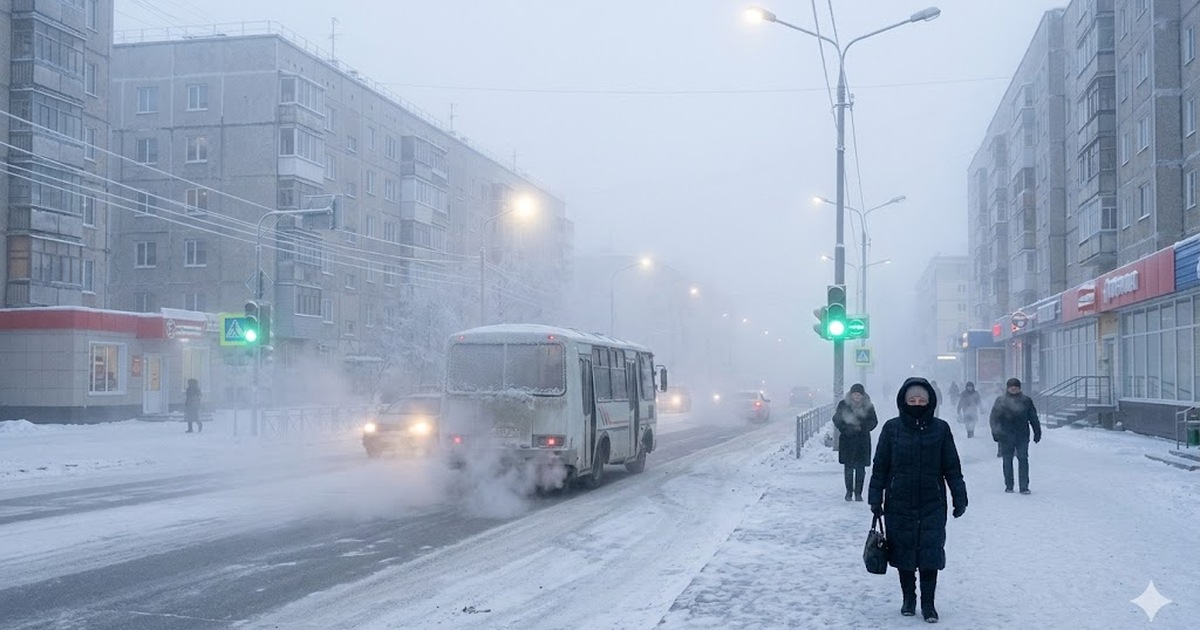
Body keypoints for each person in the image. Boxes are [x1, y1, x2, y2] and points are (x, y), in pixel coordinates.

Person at [869, 377, 968, 623]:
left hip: (932, 501)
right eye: (912, 400)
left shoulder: (941, 429)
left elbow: (952, 467)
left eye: (921, 400)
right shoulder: (891, 429)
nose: (917, 404)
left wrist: (960, 496)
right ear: (903, 401)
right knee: (903, 553)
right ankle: (908, 599)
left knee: (930, 553)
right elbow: (880, 466)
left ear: (930, 401)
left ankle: (928, 604)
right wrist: (875, 497)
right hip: (898, 501)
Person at [989, 377, 1041, 494]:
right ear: (1007, 388)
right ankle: (1009, 485)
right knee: (1007, 460)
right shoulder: (1000, 401)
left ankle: (1024, 487)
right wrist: (995, 432)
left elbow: (1033, 417)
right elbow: (994, 418)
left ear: (1019, 388)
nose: (1013, 389)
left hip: (1022, 435)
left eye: (1016, 387)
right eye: (1011, 387)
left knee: (1023, 459)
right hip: (1005, 435)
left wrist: (1037, 431)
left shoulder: (1026, 401)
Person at [832, 383, 878, 502]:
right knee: (848, 468)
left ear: (862, 396)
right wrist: (845, 428)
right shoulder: (843, 404)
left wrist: (863, 427)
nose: (857, 397)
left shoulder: (868, 406)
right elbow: (836, 418)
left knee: (860, 469)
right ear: (851, 394)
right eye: (855, 394)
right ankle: (848, 492)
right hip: (848, 440)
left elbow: (874, 421)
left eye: (859, 395)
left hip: (862, 441)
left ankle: (858, 493)